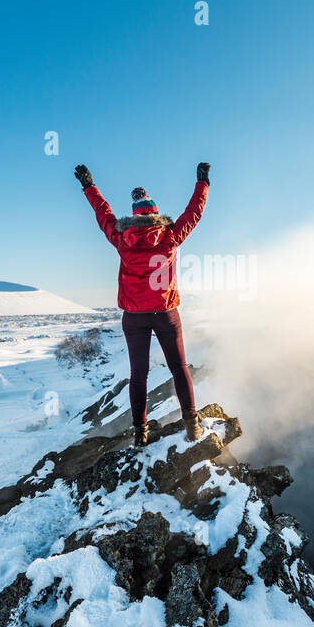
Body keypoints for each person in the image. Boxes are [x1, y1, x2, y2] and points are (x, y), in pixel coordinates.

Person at [74, 162, 210, 446]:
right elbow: (193, 213)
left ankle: (140, 432)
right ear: (156, 213)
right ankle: (191, 424)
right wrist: (202, 182)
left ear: (134, 216)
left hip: (134, 317)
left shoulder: (123, 238)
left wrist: (89, 186)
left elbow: (104, 213)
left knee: (138, 375)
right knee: (178, 367)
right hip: (166, 313)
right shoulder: (171, 236)